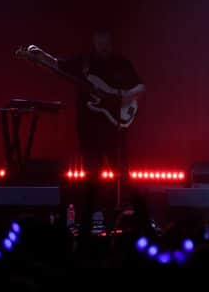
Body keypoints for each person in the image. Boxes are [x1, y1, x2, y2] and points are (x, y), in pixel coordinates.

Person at [30, 29, 145, 227]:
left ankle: (135, 220)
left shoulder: (122, 63)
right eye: (100, 43)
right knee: (91, 176)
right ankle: (88, 223)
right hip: (89, 130)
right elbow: (57, 64)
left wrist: (126, 96)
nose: (104, 47)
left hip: (114, 129)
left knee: (123, 174)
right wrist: (40, 56)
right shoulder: (83, 63)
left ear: (112, 42)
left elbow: (141, 86)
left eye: (107, 43)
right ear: (94, 42)